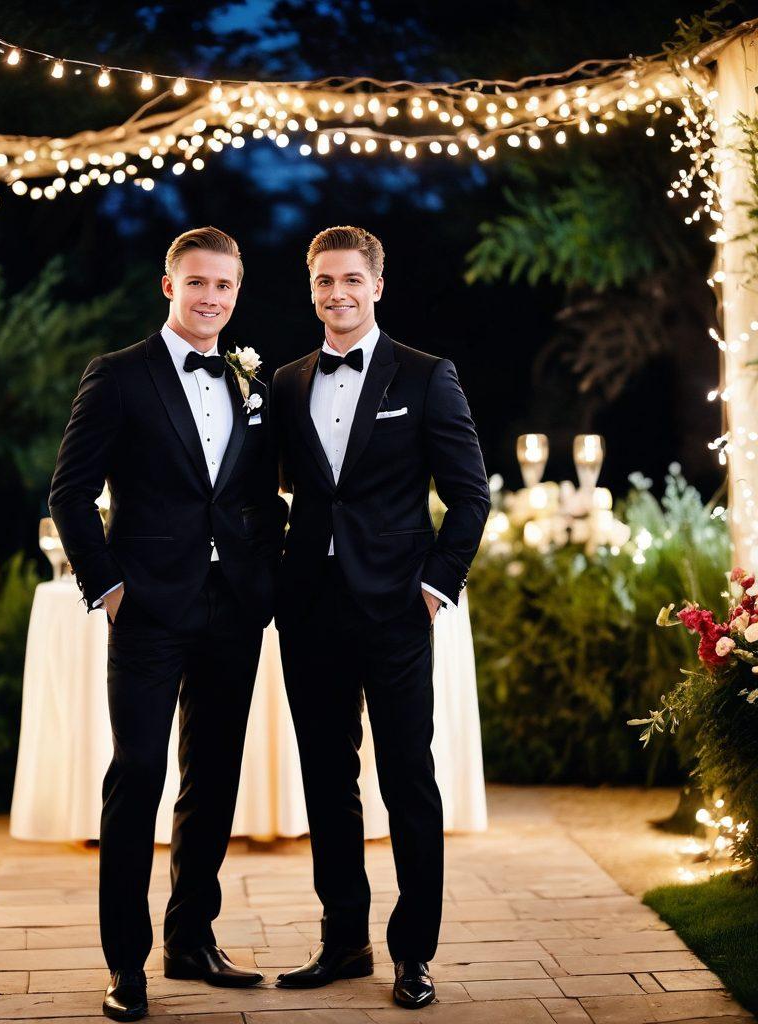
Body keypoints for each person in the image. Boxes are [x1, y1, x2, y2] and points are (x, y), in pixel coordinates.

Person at [48, 226, 287, 1022]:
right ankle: (126, 965)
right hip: (148, 610)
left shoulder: (252, 379)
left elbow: (259, 495)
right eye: (198, 284)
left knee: (213, 776)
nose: (211, 298)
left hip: (233, 613)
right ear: (168, 287)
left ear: (237, 291)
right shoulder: (118, 376)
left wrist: (264, 574)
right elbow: (70, 495)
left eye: (224, 286)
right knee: (137, 777)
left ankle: (192, 939)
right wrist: (109, 588)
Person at [271, 225, 490, 1010]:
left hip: (399, 609)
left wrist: (436, 586)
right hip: (309, 611)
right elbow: (265, 495)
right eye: (324, 280)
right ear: (311, 287)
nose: (337, 293)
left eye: (351, 280)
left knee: (407, 780)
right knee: (328, 783)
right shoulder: (287, 382)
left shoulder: (428, 377)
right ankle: (344, 941)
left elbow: (471, 495)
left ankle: (415, 954)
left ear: (377, 286)